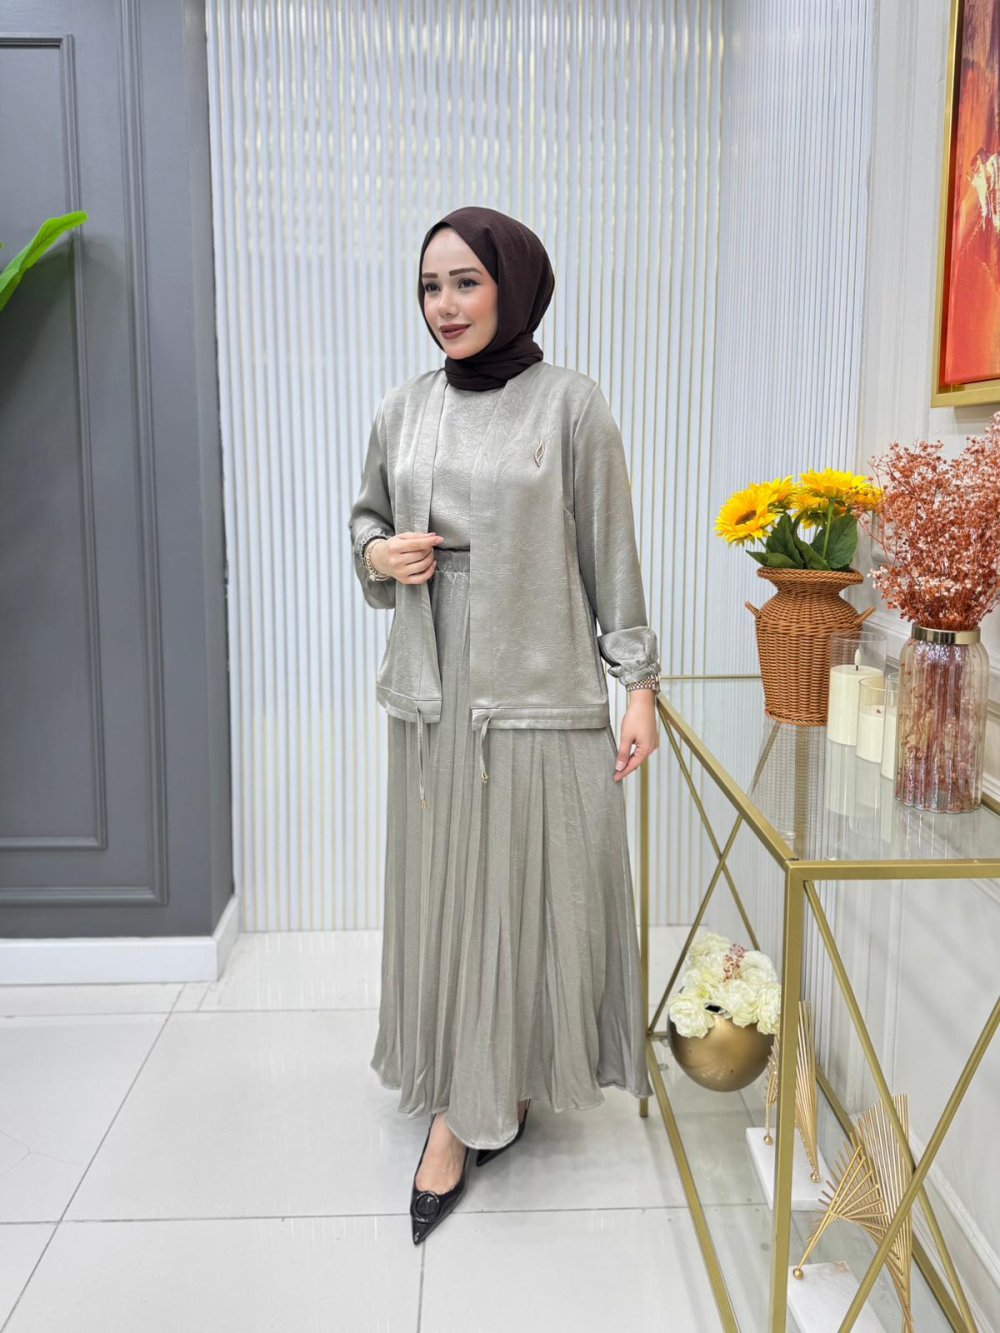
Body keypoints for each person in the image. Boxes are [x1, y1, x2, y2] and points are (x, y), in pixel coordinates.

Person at [348, 206, 661, 1245]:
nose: (444, 305)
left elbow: (610, 549)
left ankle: (480, 1103)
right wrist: (378, 556)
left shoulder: (571, 404)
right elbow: (365, 519)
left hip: (538, 694)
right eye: (429, 285)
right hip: (434, 698)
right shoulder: (403, 409)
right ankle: (468, 1089)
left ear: (513, 285)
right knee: (453, 897)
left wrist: (639, 683)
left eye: (465, 282)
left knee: (526, 896)